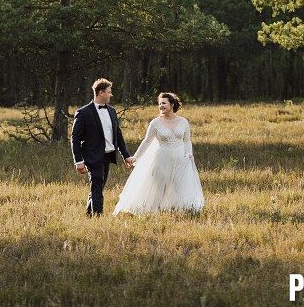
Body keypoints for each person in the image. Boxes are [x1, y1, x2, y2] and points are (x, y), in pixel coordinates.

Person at [113, 92, 204, 215]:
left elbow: (187, 141)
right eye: (159, 103)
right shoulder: (155, 123)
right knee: (160, 185)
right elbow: (146, 142)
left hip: (180, 159)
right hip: (162, 158)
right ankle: (155, 210)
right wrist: (136, 157)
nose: (161, 106)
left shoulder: (183, 122)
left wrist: (189, 154)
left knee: (180, 186)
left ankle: (181, 210)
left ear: (172, 104)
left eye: (164, 103)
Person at [71, 78, 132, 216]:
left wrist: (126, 155)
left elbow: (118, 134)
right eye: (109, 92)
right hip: (92, 156)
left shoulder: (111, 111)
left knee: (98, 186)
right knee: (97, 186)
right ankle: (98, 217)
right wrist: (78, 161)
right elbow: (75, 139)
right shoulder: (83, 113)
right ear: (100, 93)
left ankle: (89, 214)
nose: (111, 95)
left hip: (108, 155)